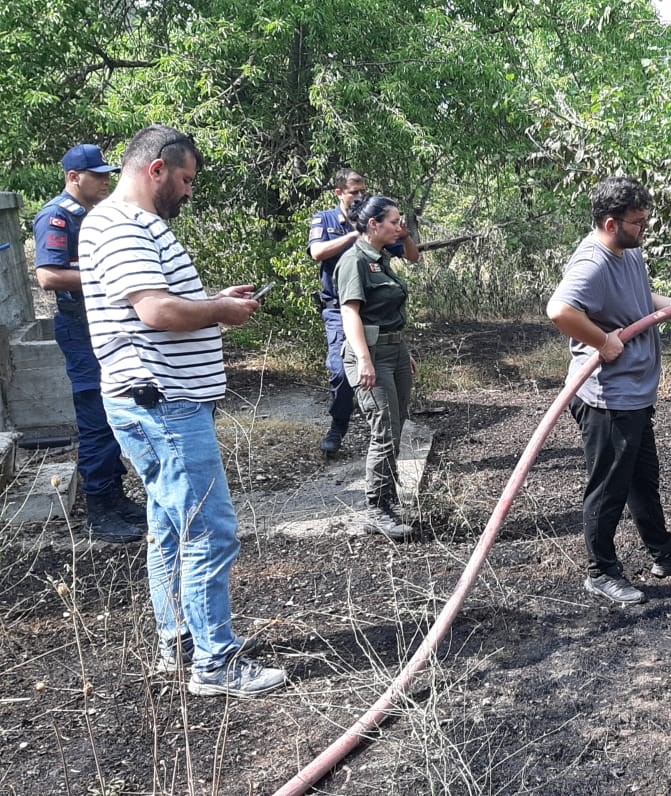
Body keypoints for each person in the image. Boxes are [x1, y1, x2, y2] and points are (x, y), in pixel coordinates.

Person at [78, 124, 286, 697]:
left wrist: (217, 300)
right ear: (157, 169)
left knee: (171, 527)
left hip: (153, 400)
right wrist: (218, 311)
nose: (189, 192)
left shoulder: (127, 226)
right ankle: (216, 663)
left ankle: (181, 641)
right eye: (186, 179)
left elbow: (159, 302)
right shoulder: (122, 226)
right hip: (162, 402)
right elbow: (157, 312)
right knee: (209, 531)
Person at [547, 176, 671, 605]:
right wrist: (603, 341)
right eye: (637, 222)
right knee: (608, 487)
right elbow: (559, 309)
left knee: (643, 479)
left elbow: (642, 299)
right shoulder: (593, 262)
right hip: (608, 398)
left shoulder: (626, 252)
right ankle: (600, 572)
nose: (644, 228)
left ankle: (664, 551)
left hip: (634, 393)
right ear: (611, 223)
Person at [32, 144, 146, 543]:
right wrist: (108, 274)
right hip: (79, 329)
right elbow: (48, 275)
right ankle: (100, 511)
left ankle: (116, 498)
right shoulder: (57, 216)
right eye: (97, 174)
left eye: (107, 173)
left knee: (115, 411)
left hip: (101, 325)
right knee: (97, 416)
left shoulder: (92, 216)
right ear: (72, 177)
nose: (105, 180)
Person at [308, 169, 419, 455]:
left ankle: (379, 435)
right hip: (339, 307)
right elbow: (318, 253)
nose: (359, 195)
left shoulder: (378, 225)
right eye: (354, 191)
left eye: (362, 190)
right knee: (342, 368)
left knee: (389, 405)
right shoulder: (329, 220)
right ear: (339, 192)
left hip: (376, 315)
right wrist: (356, 234)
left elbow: (411, 255)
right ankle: (339, 425)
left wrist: (403, 235)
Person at [334, 194, 418, 539]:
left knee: (394, 430)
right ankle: (376, 509)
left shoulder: (381, 258)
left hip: (393, 353)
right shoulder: (354, 261)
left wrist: (403, 350)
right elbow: (350, 312)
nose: (400, 227)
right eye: (395, 221)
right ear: (373, 225)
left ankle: (388, 500)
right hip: (370, 357)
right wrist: (365, 360)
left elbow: (388, 312)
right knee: (383, 432)